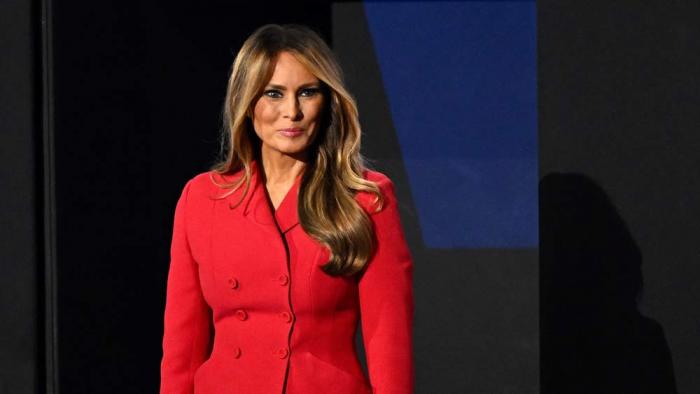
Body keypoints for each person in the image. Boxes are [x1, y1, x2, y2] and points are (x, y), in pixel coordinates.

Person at [159, 24, 414, 394]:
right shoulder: (201, 199)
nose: (291, 112)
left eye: (307, 92)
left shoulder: (366, 198)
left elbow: (388, 340)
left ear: (327, 100)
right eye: (274, 94)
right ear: (247, 103)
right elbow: (182, 347)